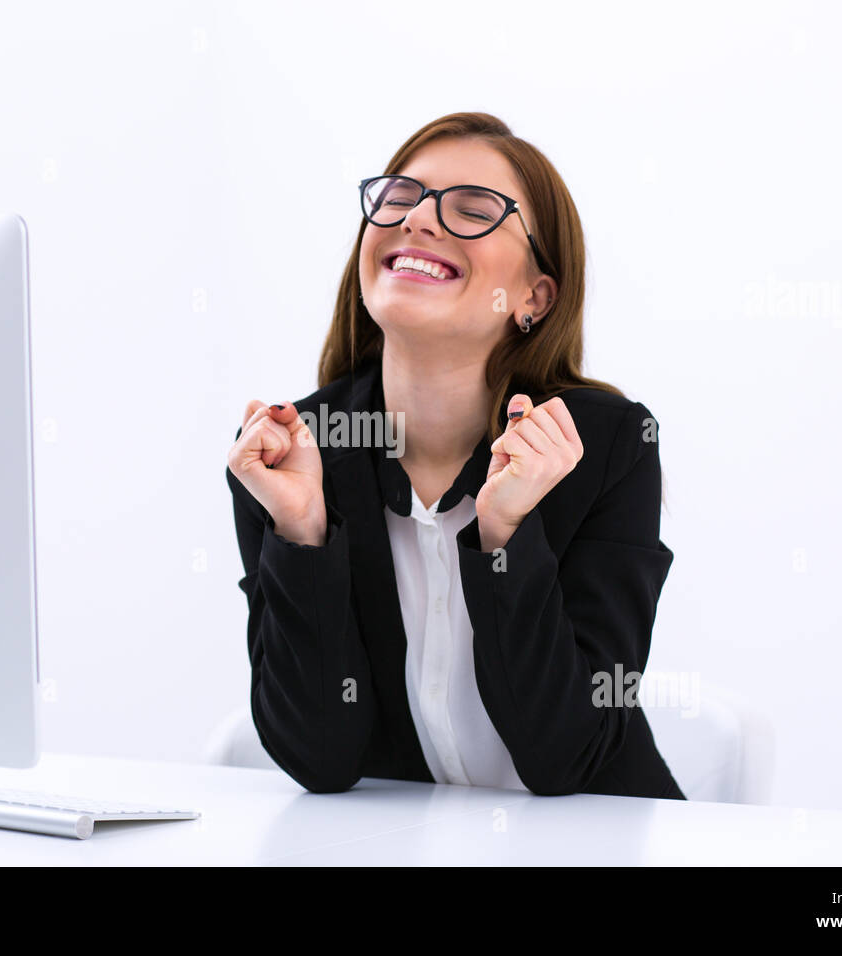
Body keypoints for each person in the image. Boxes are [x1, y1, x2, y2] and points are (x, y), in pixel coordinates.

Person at [225, 112, 683, 799]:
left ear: (534, 297)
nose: (418, 220)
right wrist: (302, 535)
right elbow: (319, 759)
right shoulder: (293, 453)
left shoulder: (603, 447)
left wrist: (504, 539)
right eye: (400, 197)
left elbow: (568, 756)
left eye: (474, 209)